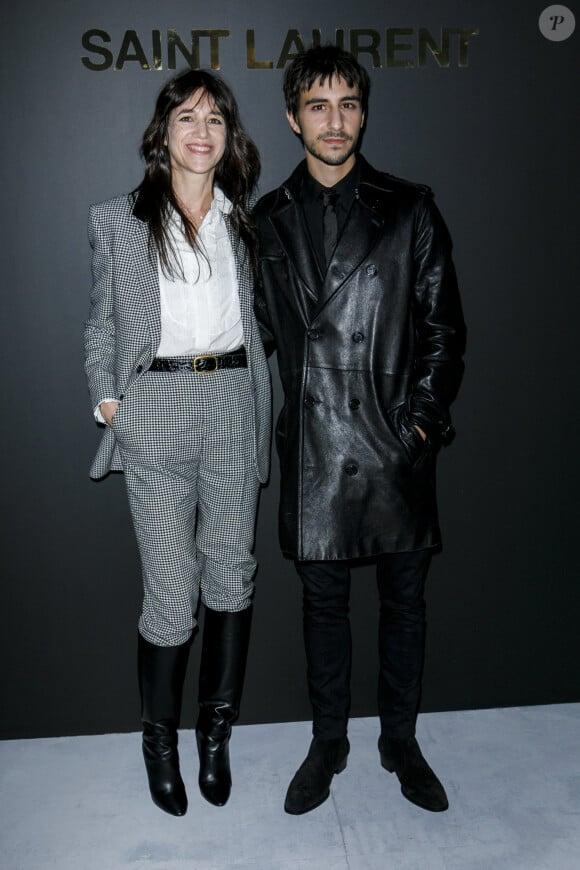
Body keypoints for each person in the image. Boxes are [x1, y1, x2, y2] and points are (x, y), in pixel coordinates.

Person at [254, 46, 465, 815]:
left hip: (393, 451)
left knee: (406, 607)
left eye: (347, 104)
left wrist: (419, 427)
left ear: (363, 113)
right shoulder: (266, 221)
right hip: (315, 456)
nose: (334, 120)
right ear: (293, 117)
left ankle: (400, 742)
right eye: (318, 105)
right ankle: (328, 740)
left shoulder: (409, 207)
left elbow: (444, 330)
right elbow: (255, 339)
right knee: (322, 609)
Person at [84, 70, 271, 816]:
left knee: (232, 573)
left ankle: (214, 736)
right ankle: (158, 741)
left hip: (231, 399)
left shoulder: (243, 221)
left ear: (229, 139)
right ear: (163, 132)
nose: (202, 132)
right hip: (155, 404)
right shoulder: (117, 219)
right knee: (172, 592)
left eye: (216, 120)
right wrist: (107, 396)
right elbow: (101, 320)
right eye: (187, 118)